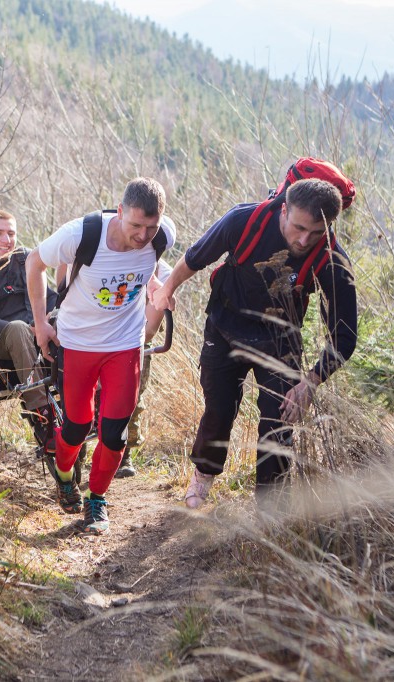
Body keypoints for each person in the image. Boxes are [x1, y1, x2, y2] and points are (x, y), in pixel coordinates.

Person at [152, 175, 357, 508]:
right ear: (284, 208)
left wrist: (310, 382)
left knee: (279, 422)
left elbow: (345, 336)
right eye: (298, 227)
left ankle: (270, 509)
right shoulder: (245, 221)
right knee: (218, 410)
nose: (304, 240)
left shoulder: (332, 258)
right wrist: (166, 290)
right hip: (225, 324)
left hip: (280, 341)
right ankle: (203, 477)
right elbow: (195, 258)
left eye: (316, 232)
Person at [26, 178, 176, 535]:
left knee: (114, 434)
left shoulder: (162, 235)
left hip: (125, 344)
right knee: (77, 425)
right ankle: (64, 477)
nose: (143, 236)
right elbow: (34, 263)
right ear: (119, 211)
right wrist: (40, 324)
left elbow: (149, 265)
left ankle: (96, 500)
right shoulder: (82, 234)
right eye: (135, 225)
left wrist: (154, 287)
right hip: (78, 344)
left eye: (150, 227)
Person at [0, 209, 58, 447]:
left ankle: (83, 395)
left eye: (11, 233)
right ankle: (42, 414)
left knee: (64, 318)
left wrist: (46, 319)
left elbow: (51, 299)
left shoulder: (26, 259)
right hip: (2, 338)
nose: (6, 240)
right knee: (17, 328)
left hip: (37, 331)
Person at [116, 256, 173, 478]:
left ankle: (124, 453)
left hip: (136, 338)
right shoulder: (98, 252)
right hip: (94, 332)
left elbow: (149, 330)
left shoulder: (164, 273)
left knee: (132, 397)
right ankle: (78, 455)